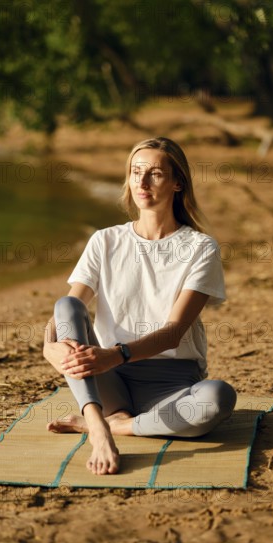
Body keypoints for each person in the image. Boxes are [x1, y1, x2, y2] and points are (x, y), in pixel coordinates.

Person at [43, 137, 237, 476]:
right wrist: (50, 348)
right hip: (107, 378)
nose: (142, 183)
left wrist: (114, 354)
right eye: (136, 172)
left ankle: (115, 426)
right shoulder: (105, 240)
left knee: (218, 397)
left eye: (155, 174)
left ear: (178, 183)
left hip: (170, 384)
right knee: (67, 305)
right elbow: (67, 312)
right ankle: (98, 426)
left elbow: (174, 333)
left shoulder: (200, 248)